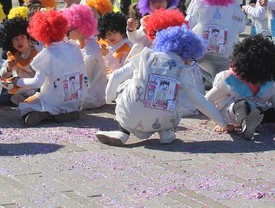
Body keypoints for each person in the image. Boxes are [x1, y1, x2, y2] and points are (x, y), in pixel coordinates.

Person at [96, 25, 226, 146]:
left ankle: (122, 132)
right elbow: (199, 100)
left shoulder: (146, 56)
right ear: (188, 54)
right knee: (174, 98)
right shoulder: (183, 69)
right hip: (163, 121)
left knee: (127, 85)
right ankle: (166, 133)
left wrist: (109, 97)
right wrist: (222, 123)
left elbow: (116, 75)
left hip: (130, 115)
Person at [10, 10, 87, 126]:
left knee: (25, 106)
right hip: (76, 98)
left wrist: (18, 81)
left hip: (55, 100)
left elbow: (37, 82)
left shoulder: (47, 53)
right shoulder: (73, 46)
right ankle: (66, 111)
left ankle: (48, 113)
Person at [185, 0, 245, 88]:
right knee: (222, 81)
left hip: (200, 50)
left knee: (193, 69)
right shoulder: (233, 5)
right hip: (225, 52)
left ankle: (204, 82)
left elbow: (188, 23)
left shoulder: (198, 1)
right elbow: (241, 27)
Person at [64, 3, 107, 110]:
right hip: (82, 88)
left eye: (68, 30)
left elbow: (85, 72)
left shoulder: (91, 46)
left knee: (60, 95)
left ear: (79, 28)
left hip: (93, 96)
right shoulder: (77, 43)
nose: (66, 34)